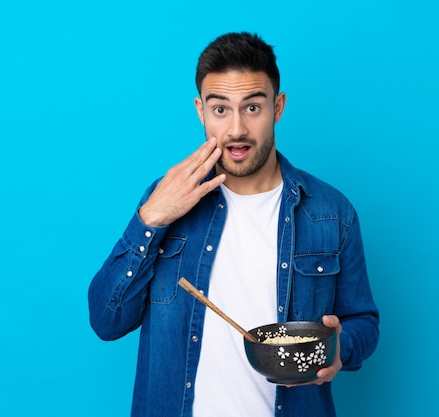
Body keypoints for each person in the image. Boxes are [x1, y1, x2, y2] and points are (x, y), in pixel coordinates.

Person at [88, 32, 379, 417]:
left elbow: (364, 322)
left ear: (278, 107)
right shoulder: (164, 200)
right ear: (200, 110)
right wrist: (150, 219)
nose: (237, 129)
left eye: (253, 108)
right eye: (220, 109)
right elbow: (107, 321)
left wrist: (341, 346)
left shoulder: (331, 213)